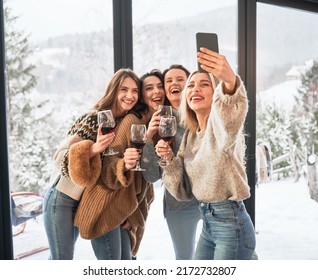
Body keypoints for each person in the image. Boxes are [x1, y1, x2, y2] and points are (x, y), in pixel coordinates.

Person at [155, 48, 256, 260]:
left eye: (204, 84)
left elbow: (229, 107)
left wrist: (230, 82)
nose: (195, 89)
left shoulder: (223, 128)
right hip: (208, 223)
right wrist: (169, 161)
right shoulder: (191, 136)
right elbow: (182, 191)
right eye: (190, 85)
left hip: (231, 224)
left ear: (216, 92)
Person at [43, 68, 142, 260]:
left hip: (82, 201)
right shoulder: (94, 118)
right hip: (62, 198)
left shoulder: (123, 123)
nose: (130, 95)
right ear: (113, 90)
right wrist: (94, 149)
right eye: (124, 89)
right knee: (61, 259)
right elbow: (59, 156)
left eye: (135, 91)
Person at [67, 69, 165, 259]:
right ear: (143, 97)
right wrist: (123, 164)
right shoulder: (131, 121)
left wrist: (133, 215)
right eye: (149, 88)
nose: (156, 92)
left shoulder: (154, 125)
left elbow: (148, 180)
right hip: (105, 208)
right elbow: (109, 167)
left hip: (121, 212)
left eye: (160, 87)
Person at [141, 64, 201, 260]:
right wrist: (150, 138)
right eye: (169, 81)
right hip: (179, 204)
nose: (174, 83)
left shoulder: (203, 112)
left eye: (180, 79)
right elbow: (151, 176)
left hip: (210, 200)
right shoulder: (159, 121)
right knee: (185, 259)